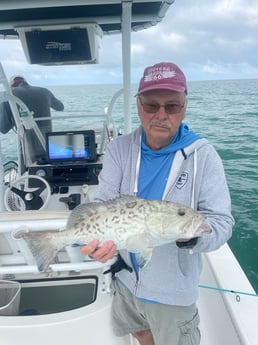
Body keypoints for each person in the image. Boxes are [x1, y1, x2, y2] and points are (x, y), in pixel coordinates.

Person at [80, 62, 234, 345]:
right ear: (138, 105)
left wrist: (189, 237)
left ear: (184, 107)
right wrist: (98, 244)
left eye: (172, 106)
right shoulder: (119, 149)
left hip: (171, 293)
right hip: (125, 279)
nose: (161, 115)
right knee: (139, 332)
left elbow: (222, 223)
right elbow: (102, 203)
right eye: (151, 105)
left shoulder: (204, 156)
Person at [0, 75, 64, 166]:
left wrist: (14, 118)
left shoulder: (9, 96)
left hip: (27, 150)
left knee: (27, 170)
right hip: (47, 146)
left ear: (11, 86)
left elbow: (3, 129)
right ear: (26, 81)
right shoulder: (44, 91)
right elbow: (60, 107)